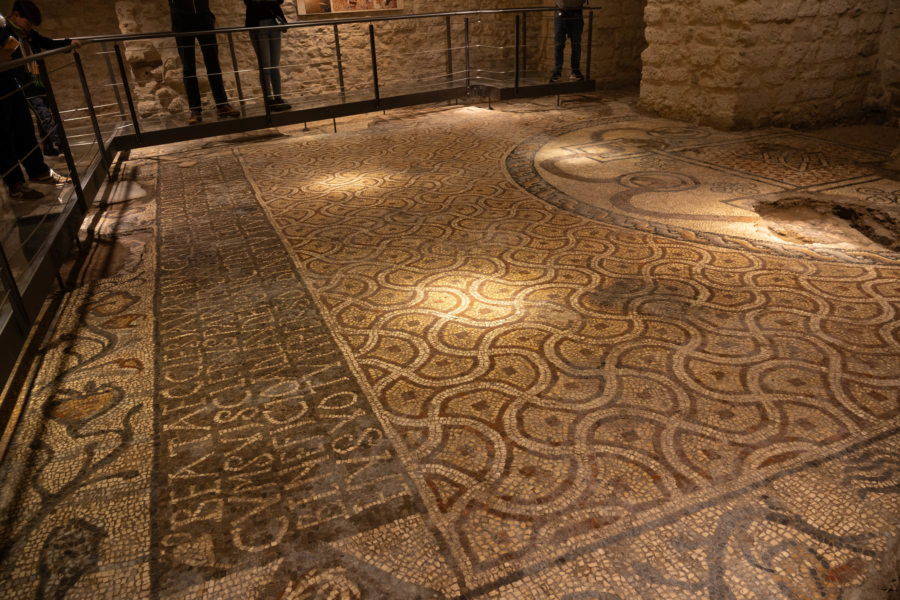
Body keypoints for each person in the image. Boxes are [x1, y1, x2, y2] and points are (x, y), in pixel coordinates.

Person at [1, 5, 69, 201]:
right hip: (9, 82)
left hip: (11, 81)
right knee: (5, 135)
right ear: (16, 15)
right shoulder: (7, 29)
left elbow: (11, 51)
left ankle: (38, 171)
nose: (29, 28)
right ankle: (15, 183)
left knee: (24, 129)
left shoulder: (14, 30)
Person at [4, 0, 80, 158]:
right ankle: (62, 146)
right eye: (27, 22)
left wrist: (68, 43)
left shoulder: (28, 35)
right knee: (45, 116)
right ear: (16, 14)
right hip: (23, 82)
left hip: (38, 79)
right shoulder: (5, 32)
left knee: (44, 116)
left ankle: (48, 149)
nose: (29, 27)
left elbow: (47, 42)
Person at [168, 0, 241, 125]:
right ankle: (195, 110)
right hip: (182, 19)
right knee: (188, 67)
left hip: (204, 16)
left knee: (213, 63)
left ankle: (222, 104)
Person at [244, 0, 291, 111]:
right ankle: (269, 100)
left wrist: (264, 2)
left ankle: (278, 98)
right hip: (257, 23)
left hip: (274, 21)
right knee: (265, 65)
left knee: (274, 64)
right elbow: (250, 2)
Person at [550, 0, 587, 83]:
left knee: (576, 44)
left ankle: (575, 70)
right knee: (559, 44)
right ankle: (557, 71)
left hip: (576, 13)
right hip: (561, 12)